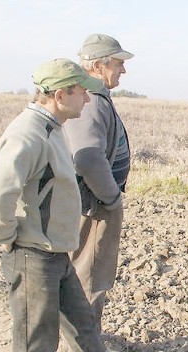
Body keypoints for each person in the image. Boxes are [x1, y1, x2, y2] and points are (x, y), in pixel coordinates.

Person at [0, 58, 154, 352]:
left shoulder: (52, 127)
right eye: (80, 92)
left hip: (54, 250)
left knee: (82, 323)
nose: (87, 101)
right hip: (32, 252)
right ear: (61, 95)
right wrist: (11, 239)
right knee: (35, 337)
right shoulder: (28, 135)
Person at [63, 34, 134, 336]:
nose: (123, 70)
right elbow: (88, 158)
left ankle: (81, 340)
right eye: (118, 63)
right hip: (94, 204)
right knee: (89, 276)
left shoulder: (94, 97)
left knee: (86, 274)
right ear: (97, 65)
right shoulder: (90, 102)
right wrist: (111, 198)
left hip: (94, 201)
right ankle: (90, 351)